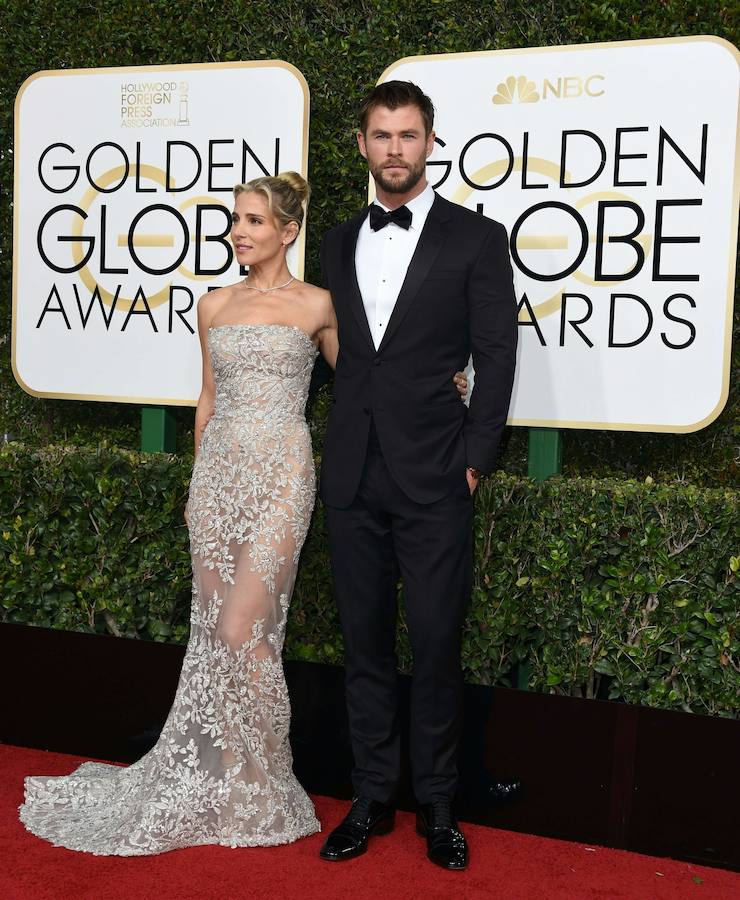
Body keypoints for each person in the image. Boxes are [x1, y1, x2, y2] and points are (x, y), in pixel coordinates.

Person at [19, 171, 468, 856]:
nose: (239, 231)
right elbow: (205, 398)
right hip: (220, 482)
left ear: (287, 231)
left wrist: (444, 381)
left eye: (254, 221)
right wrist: (201, 486)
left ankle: (265, 785)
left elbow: (367, 382)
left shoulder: (320, 305)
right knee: (217, 636)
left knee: (242, 632)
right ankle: (234, 784)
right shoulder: (213, 304)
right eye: (236, 219)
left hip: (284, 476)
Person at [318, 81, 518, 871]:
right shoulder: (336, 242)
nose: (395, 149)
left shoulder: (476, 238)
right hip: (352, 476)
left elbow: (497, 356)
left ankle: (438, 806)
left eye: (408, 135)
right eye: (381, 135)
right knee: (363, 645)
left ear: (431, 143)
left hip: (437, 475)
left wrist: (475, 459)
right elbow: (340, 353)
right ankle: (371, 799)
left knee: (435, 644)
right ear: (362, 146)